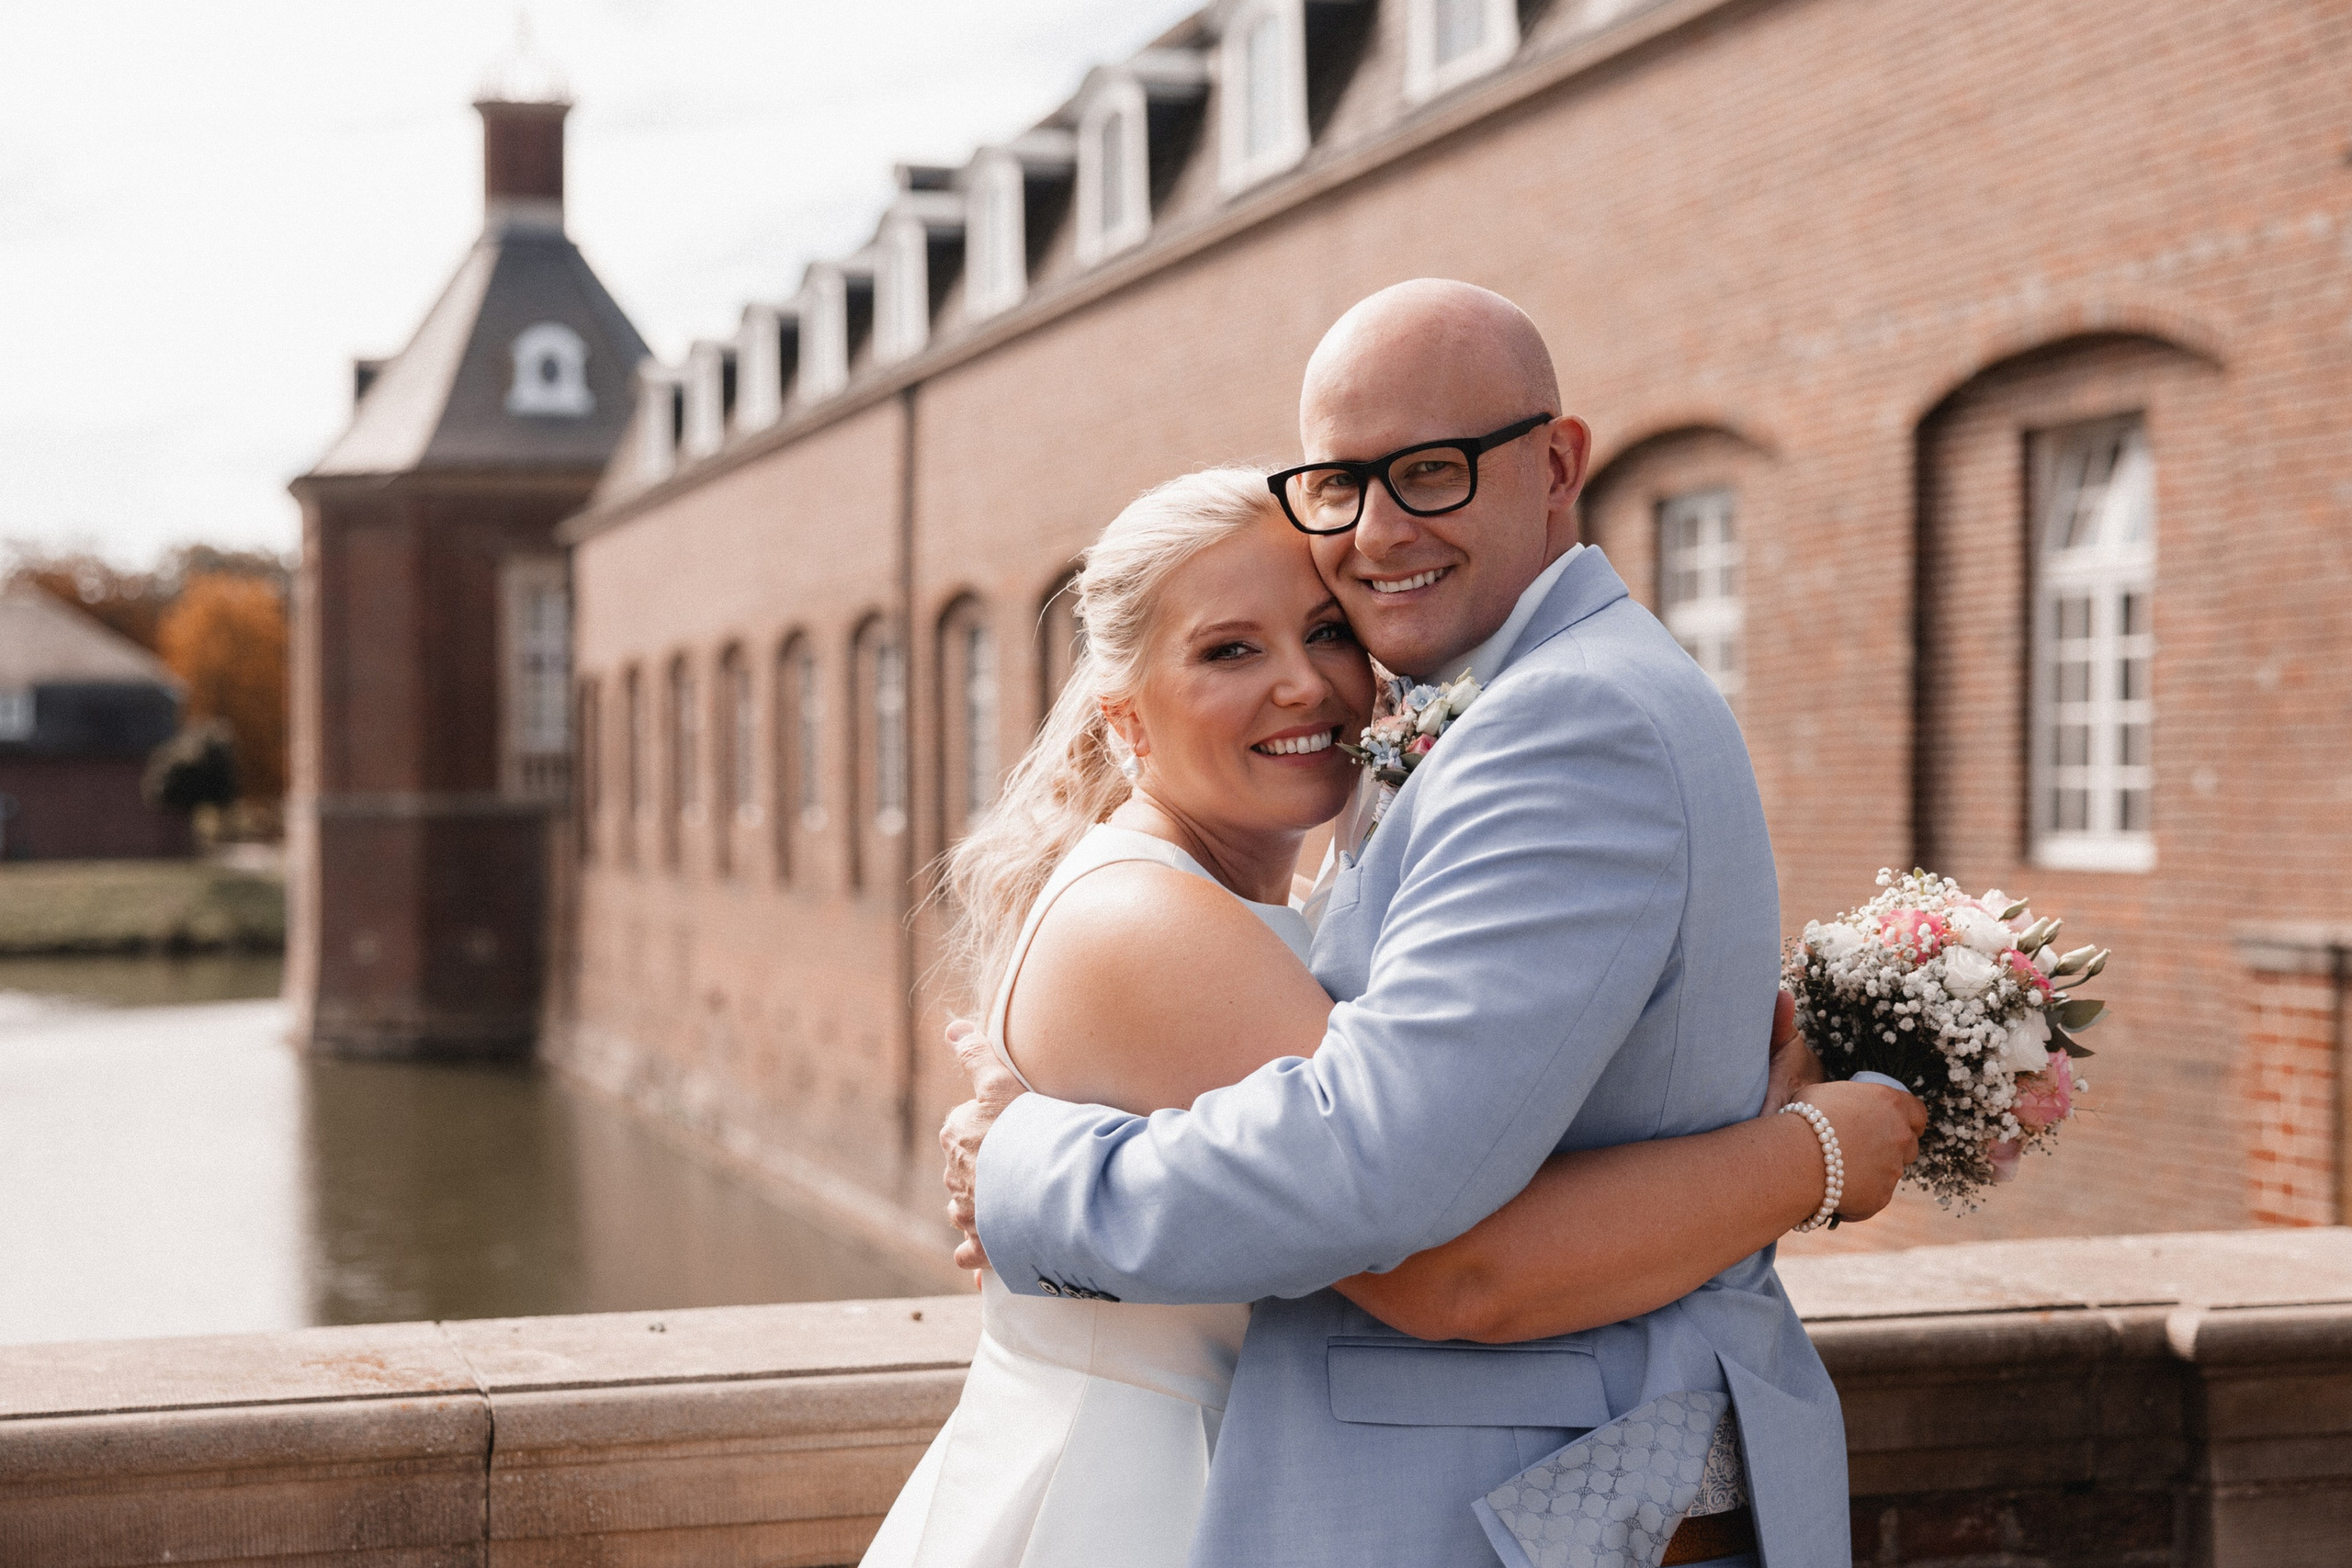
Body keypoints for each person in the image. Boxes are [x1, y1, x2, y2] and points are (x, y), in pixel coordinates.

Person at [876, 280, 1921, 1565]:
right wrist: (1805, 1153)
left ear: (1558, 466)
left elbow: (1407, 1208)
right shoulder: (1154, 911)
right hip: (1137, 1492)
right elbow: (1414, 1235)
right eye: (1340, 485)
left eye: (1430, 472)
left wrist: (1029, 1167)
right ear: (1126, 717)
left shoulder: (1558, 719)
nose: (1375, 535)